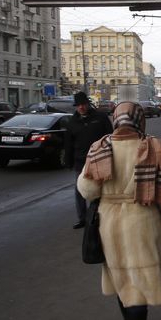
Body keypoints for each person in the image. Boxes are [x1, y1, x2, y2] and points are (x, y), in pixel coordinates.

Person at [77, 101, 161, 320]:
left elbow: (88, 191)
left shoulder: (100, 147)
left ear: (116, 119)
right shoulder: (154, 146)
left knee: (123, 279)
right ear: (140, 120)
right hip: (143, 218)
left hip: (109, 221)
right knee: (140, 284)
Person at [64, 91, 113, 229]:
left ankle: (100, 216)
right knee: (80, 190)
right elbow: (68, 143)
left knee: (101, 189)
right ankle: (83, 219)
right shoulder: (72, 122)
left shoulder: (100, 117)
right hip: (81, 161)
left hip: (100, 159)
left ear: (88, 104)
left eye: (83, 104)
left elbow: (110, 136)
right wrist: (68, 161)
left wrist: (112, 154)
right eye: (78, 105)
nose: (81, 107)